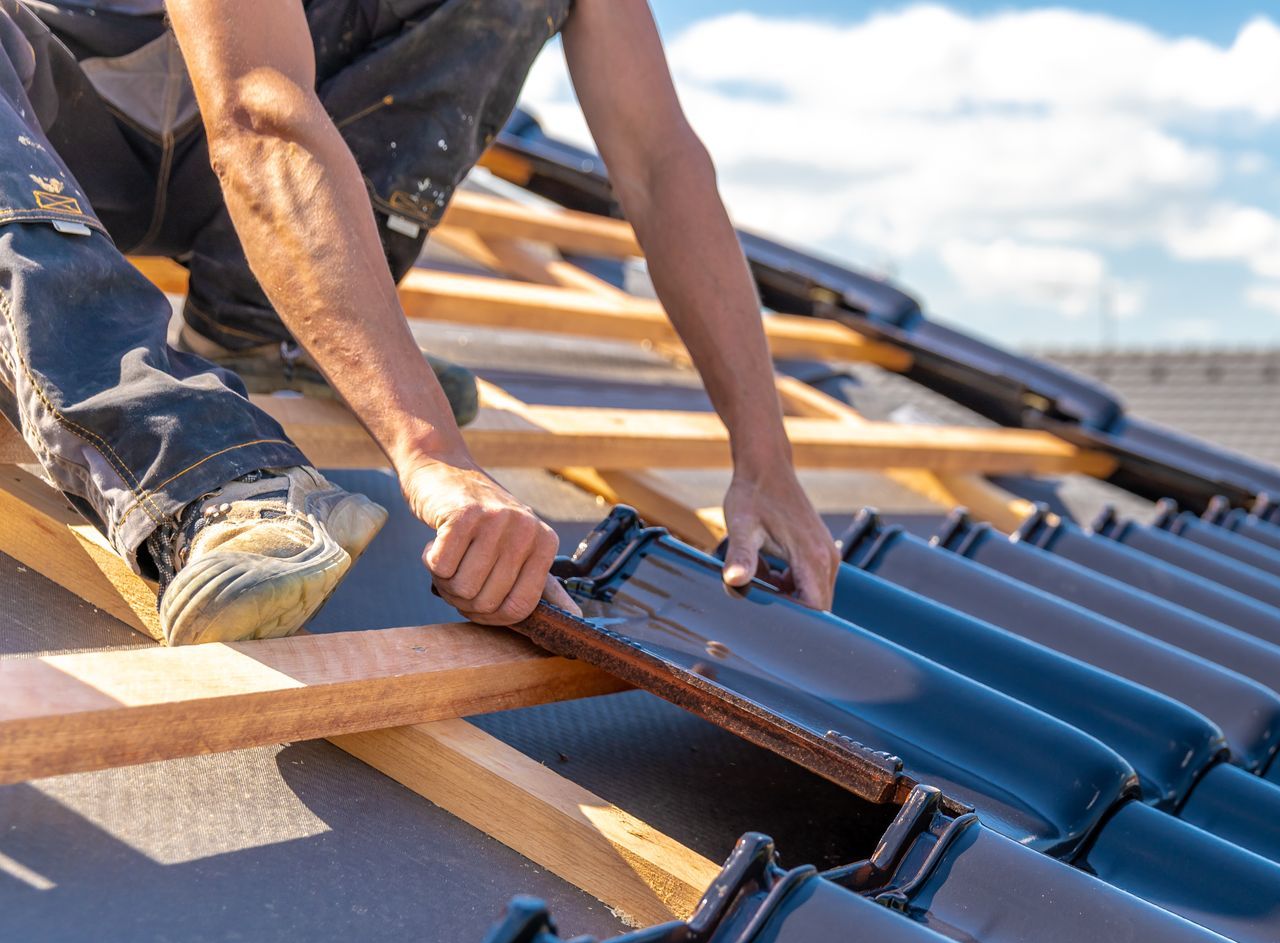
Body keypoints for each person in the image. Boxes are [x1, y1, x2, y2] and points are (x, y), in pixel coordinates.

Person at [0, 0, 838, 644]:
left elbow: (663, 165)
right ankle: (199, 475)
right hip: (53, 128)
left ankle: (269, 330)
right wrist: (433, 453)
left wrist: (765, 457)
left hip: (233, 166)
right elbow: (256, 113)